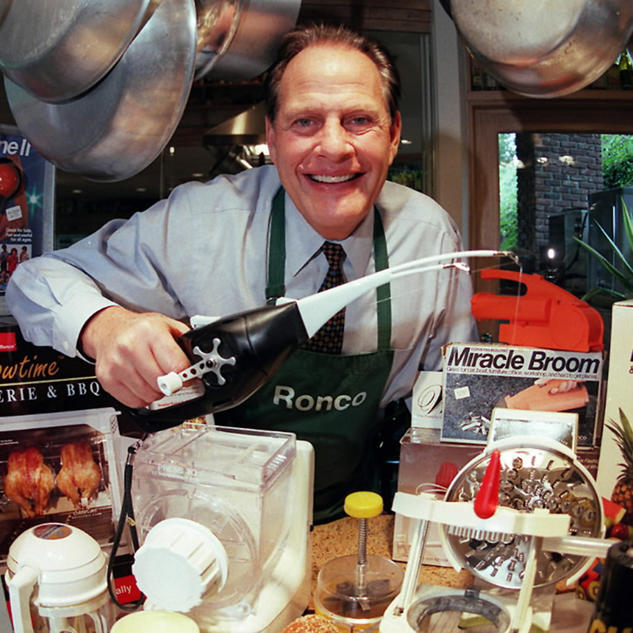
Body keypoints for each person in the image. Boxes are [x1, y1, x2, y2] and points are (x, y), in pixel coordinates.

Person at [7, 23, 477, 522]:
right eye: (305, 122)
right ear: (272, 137)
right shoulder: (199, 222)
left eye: (359, 120)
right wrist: (104, 327)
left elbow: (454, 393)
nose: (335, 147)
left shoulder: (429, 238)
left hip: (353, 513)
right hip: (213, 515)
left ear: (394, 133)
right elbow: (34, 280)